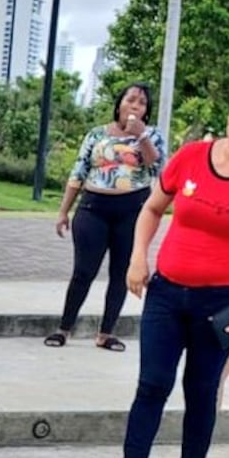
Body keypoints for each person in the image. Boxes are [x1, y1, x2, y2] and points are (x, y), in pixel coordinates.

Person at [101, 83, 229, 458]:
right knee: (152, 384)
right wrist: (137, 259)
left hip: (221, 305)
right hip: (166, 293)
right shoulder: (191, 157)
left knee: (202, 389)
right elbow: (152, 208)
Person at [46, 84, 164, 353]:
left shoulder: (152, 135)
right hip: (93, 209)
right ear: (119, 103)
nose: (135, 105)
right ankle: (64, 328)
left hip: (132, 210)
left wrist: (141, 136)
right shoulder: (97, 134)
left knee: (121, 272)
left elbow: (156, 165)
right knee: (83, 271)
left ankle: (106, 333)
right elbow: (78, 171)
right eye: (130, 99)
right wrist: (64, 211)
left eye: (142, 103)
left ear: (146, 110)